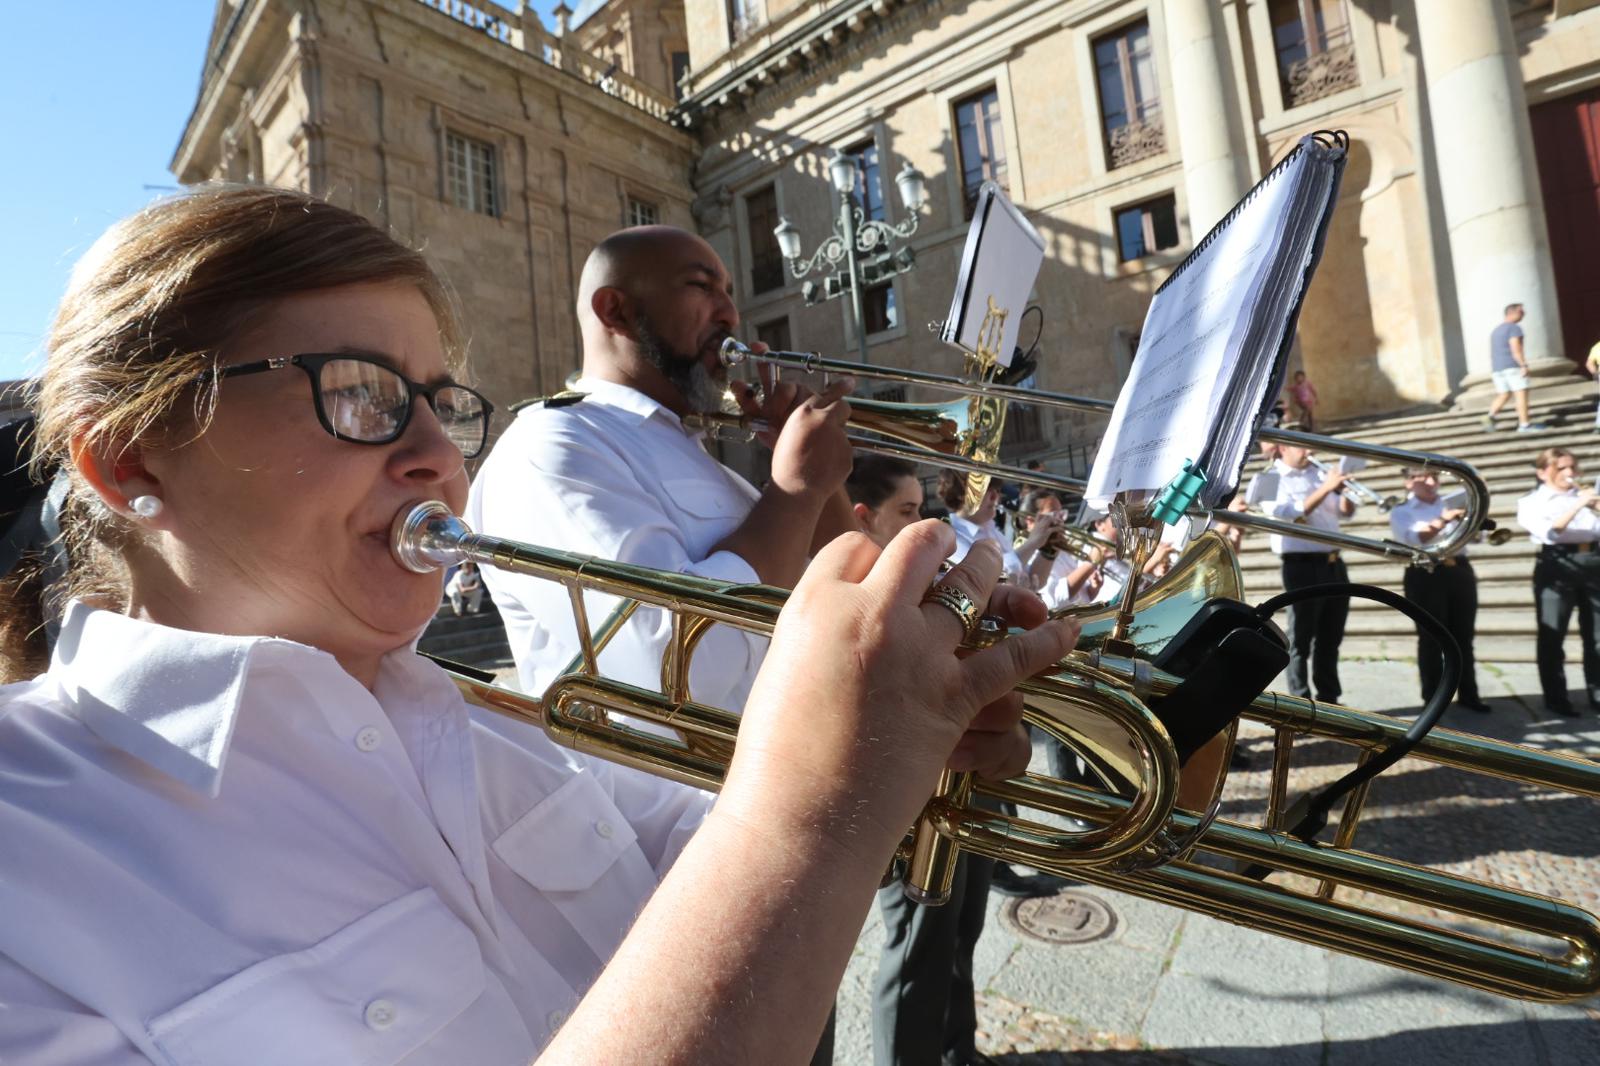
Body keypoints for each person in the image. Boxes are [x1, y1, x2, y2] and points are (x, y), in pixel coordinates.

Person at [0, 185, 1075, 1064]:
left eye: (436, 401)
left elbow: (715, 897)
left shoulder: (491, 728)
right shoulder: (29, 848)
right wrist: (810, 817)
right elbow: (677, 687)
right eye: (363, 395)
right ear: (131, 455)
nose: (439, 454)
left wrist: (899, 745)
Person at [466, 225, 858, 717]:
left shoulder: (697, 458)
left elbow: (860, 593)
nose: (731, 315)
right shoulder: (549, 445)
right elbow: (680, 671)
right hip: (699, 795)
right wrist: (796, 491)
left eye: (730, 294)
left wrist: (818, 484)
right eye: (701, 286)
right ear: (616, 311)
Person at [846, 457, 997, 1066]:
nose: (922, 523)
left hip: (964, 774)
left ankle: (956, 1049)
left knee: (961, 930)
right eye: (907, 512)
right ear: (866, 518)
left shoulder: (920, 578)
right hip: (907, 792)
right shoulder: (855, 590)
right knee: (917, 945)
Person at [1388, 467, 1489, 714]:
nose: (1433, 482)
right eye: (1426, 478)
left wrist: (1470, 518)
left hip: (1459, 570)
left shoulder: (1450, 504)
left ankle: (1469, 694)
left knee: (1464, 637)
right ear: (1410, 482)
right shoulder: (1402, 511)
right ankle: (1432, 699)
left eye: (1436, 477)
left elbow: (1479, 539)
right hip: (1424, 573)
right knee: (1431, 639)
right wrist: (1444, 519)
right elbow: (1414, 539)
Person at [1263, 444, 1356, 703]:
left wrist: (1345, 492)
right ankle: (1300, 701)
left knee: (1331, 635)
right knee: (1300, 637)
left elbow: (1345, 512)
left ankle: (1330, 699)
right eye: (1300, 445)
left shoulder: (1318, 474)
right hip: (1300, 565)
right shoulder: (1268, 478)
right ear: (1282, 448)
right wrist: (1326, 487)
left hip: (1334, 562)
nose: (1308, 450)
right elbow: (1285, 514)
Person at [1516, 446, 1600, 718]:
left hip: (1594, 559)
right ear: (1542, 472)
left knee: (1598, 636)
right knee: (1553, 636)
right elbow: (1551, 532)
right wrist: (1578, 504)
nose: (1569, 473)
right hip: (1556, 563)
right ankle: (1556, 698)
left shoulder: (1587, 494)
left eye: (1572, 467)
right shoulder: (1531, 501)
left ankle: (1598, 694)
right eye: (1561, 468)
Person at [1015, 489, 1101, 610]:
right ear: (1030, 522)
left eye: (1062, 514)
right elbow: (1052, 601)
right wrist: (1089, 564)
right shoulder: (1029, 557)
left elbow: (1081, 596)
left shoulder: (1059, 548)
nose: (1061, 520)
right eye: (1055, 514)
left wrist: (1092, 589)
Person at [1482, 303, 1549, 433]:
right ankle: (1524, 425)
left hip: (1498, 368)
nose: (1524, 315)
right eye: (1521, 312)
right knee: (1521, 393)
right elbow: (1516, 348)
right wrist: (1523, 365)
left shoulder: (1496, 330)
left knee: (1504, 394)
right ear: (1511, 313)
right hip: (1512, 366)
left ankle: (1490, 416)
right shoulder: (1514, 328)